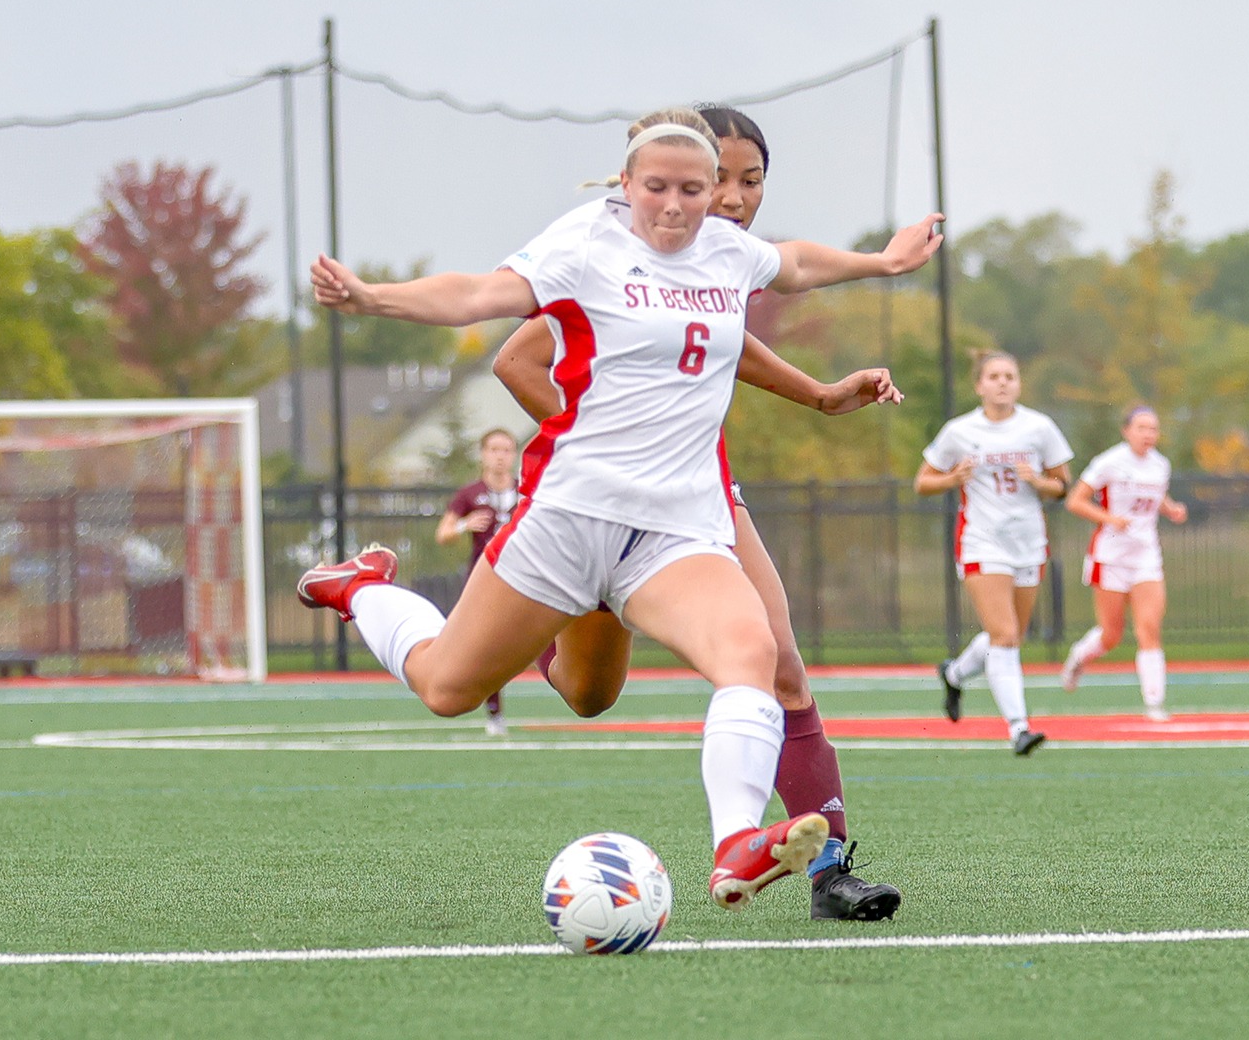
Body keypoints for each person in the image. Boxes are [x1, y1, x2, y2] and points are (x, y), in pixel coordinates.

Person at [301, 106, 944, 911]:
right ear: (628, 185)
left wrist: (884, 262)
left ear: (713, 192)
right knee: (454, 688)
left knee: (751, 653)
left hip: (676, 530)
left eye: (696, 189)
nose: (676, 206)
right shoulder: (584, 243)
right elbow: (477, 294)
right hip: (569, 521)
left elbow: (799, 263)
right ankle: (360, 585)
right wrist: (372, 298)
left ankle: (738, 842)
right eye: (657, 188)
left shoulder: (727, 253)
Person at [489, 106, 903, 921]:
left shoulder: (720, 261)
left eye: (752, 181)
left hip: (700, 493)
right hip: (604, 504)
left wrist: (820, 395)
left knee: (782, 661)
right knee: (586, 694)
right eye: (726, 178)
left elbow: (727, 345)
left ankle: (827, 872)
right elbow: (516, 358)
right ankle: (526, 624)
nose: (739, 197)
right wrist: (598, 454)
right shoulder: (617, 257)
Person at [917, 351, 1073, 755]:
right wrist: (953, 477)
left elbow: (1063, 486)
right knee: (1004, 636)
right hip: (982, 541)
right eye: (994, 376)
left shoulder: (1039, 427)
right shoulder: (960, 430)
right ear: (979, 385)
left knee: (1009, 636)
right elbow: (923, 482)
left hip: (1029, 541)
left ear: (1018, 383)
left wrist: (1039, 481)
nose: (1002, 382)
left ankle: (954, 673)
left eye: (1010, 375)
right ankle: (1019, 728)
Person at [1057, 406, 1188, 720]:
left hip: (1146, 556)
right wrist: (1109, 518)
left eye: (1153, 429)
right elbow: (1074, 501)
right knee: (1111, 634)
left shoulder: (1160, 465)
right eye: (1142, 427)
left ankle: (1154, 702)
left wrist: (1171, 509)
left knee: (1149, 628)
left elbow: (1155, 498)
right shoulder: (1110, 462)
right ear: (1126, 430)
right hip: (1111, 557)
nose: (1148, 434)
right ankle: (1079, 656)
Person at [435, 428, 522, 734]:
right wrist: (464, 524)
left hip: (525, 580)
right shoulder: (470, 494)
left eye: (506, 450)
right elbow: (442, 534)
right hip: (482, 583)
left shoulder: (527, 490)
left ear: (514, 455)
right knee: (486, 646)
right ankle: (495, 713)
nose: (500, 456)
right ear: (484, 454)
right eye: (494, 449)